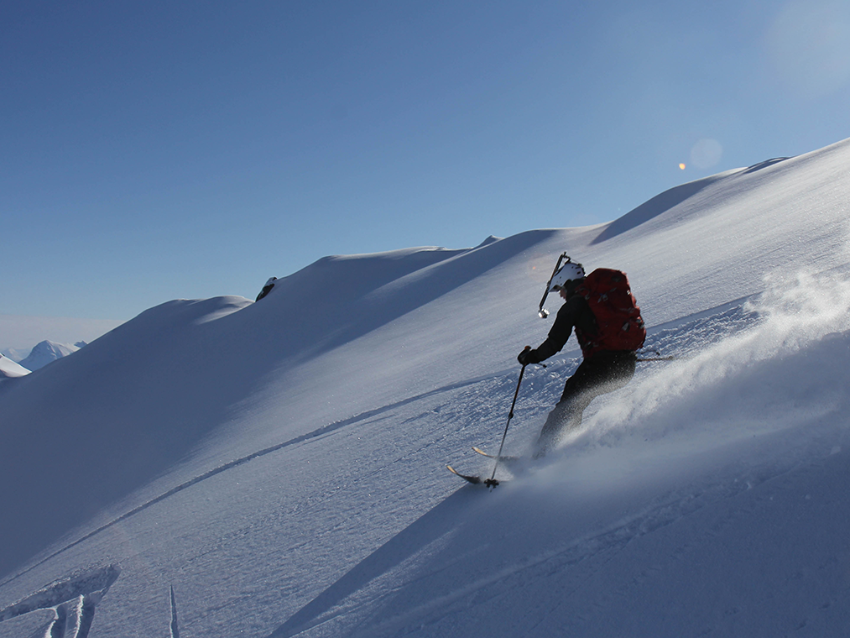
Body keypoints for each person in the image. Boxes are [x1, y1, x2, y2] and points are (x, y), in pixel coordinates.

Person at [518, 259, 644, 457]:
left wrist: (531, 356)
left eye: (560, 289)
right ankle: (560, 449)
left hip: (603, 366)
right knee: (575, 396)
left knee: (571, 400)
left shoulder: (575, 304)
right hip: (626, 366)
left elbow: (554, 343)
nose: (560, 294)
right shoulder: (599, 296)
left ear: (567, 283)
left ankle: (542, 455)